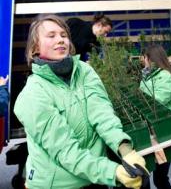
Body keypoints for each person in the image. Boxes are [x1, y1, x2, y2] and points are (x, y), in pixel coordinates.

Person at [14, 14, 148, 189]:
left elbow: (102, 114)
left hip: (95, 178)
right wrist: (112, 172)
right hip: (58, 184)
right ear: (35, 47)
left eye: (63, 35)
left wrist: (125, 149)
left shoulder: (84, 72)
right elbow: (65, 150)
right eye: (51, 35)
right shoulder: (32, 94)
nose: (61, 40)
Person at [139, 45, 171, 189]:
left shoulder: (164, 76)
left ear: (150, 58)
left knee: (160, 179)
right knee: (147, 179)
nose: (143, 61)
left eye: (144, 58)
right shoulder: (148, 76)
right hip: (153, 134)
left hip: (164, 134)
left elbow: (154, 103)